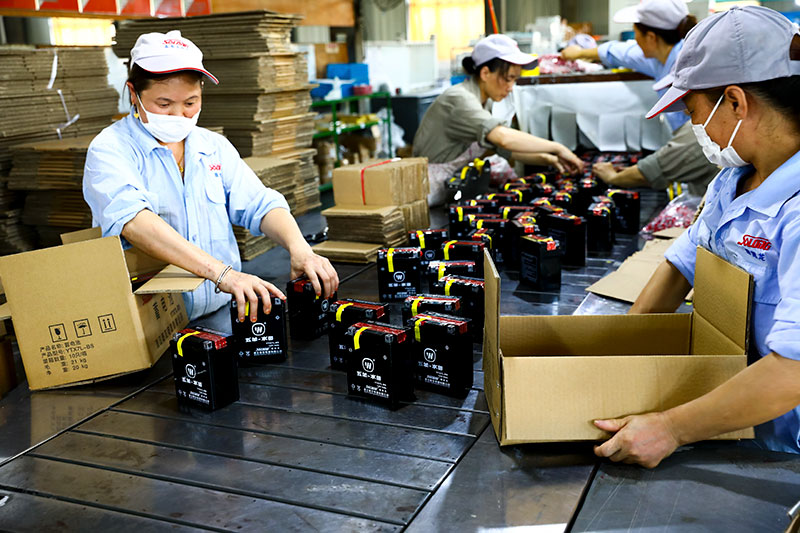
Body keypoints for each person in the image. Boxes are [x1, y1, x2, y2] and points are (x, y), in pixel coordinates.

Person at [592, 6, 800, 468]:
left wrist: (670, 428)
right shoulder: (734, 179)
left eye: (693, 112)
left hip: (785, 458)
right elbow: (680, 265)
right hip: (728, 427)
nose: (694, 128)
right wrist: (614, 363)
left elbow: (794, 370)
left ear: (735, 102)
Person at [83, 30, 339, 324]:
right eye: (164, 105)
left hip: (221, 312)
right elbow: (135, 223)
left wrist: (300, 248)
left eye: (190, 103)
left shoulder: (212, 147)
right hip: (154, 322)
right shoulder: (110, 150)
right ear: (133, 93)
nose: (179, 115)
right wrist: (223, 274)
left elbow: (259, 203)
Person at [562, 0, 719, 198]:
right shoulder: (658, 58)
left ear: (651, 37)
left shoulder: (688, 62)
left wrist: (616, 177)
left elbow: (676, 156)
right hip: (686, 152)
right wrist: (579, 53)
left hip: (700, 150)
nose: (634, 41)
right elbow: (621, 53)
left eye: (636, 34)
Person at [413, 34, 583, 205]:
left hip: (448, 189)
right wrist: (558, 147)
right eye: (508, 79)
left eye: (515, 80)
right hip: (426, 190)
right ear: (485, 73)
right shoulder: (459, 99)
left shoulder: (484, 103)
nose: (511, 88)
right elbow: (503, 139)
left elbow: (505, 150)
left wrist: (549, 159)